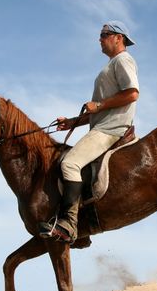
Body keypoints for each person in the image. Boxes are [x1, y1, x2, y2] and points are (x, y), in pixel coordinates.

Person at [39, 20, 140, 244]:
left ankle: (68, 224)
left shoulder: (123, 60)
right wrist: (74, 122)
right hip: (103, 124)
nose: (100, 39)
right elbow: (98, 109)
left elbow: (132, 93)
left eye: (104, 35)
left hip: (111, 128)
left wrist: (100, 105)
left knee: (70, 164)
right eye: (101, 35)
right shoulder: (112, 64)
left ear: (118, 38)